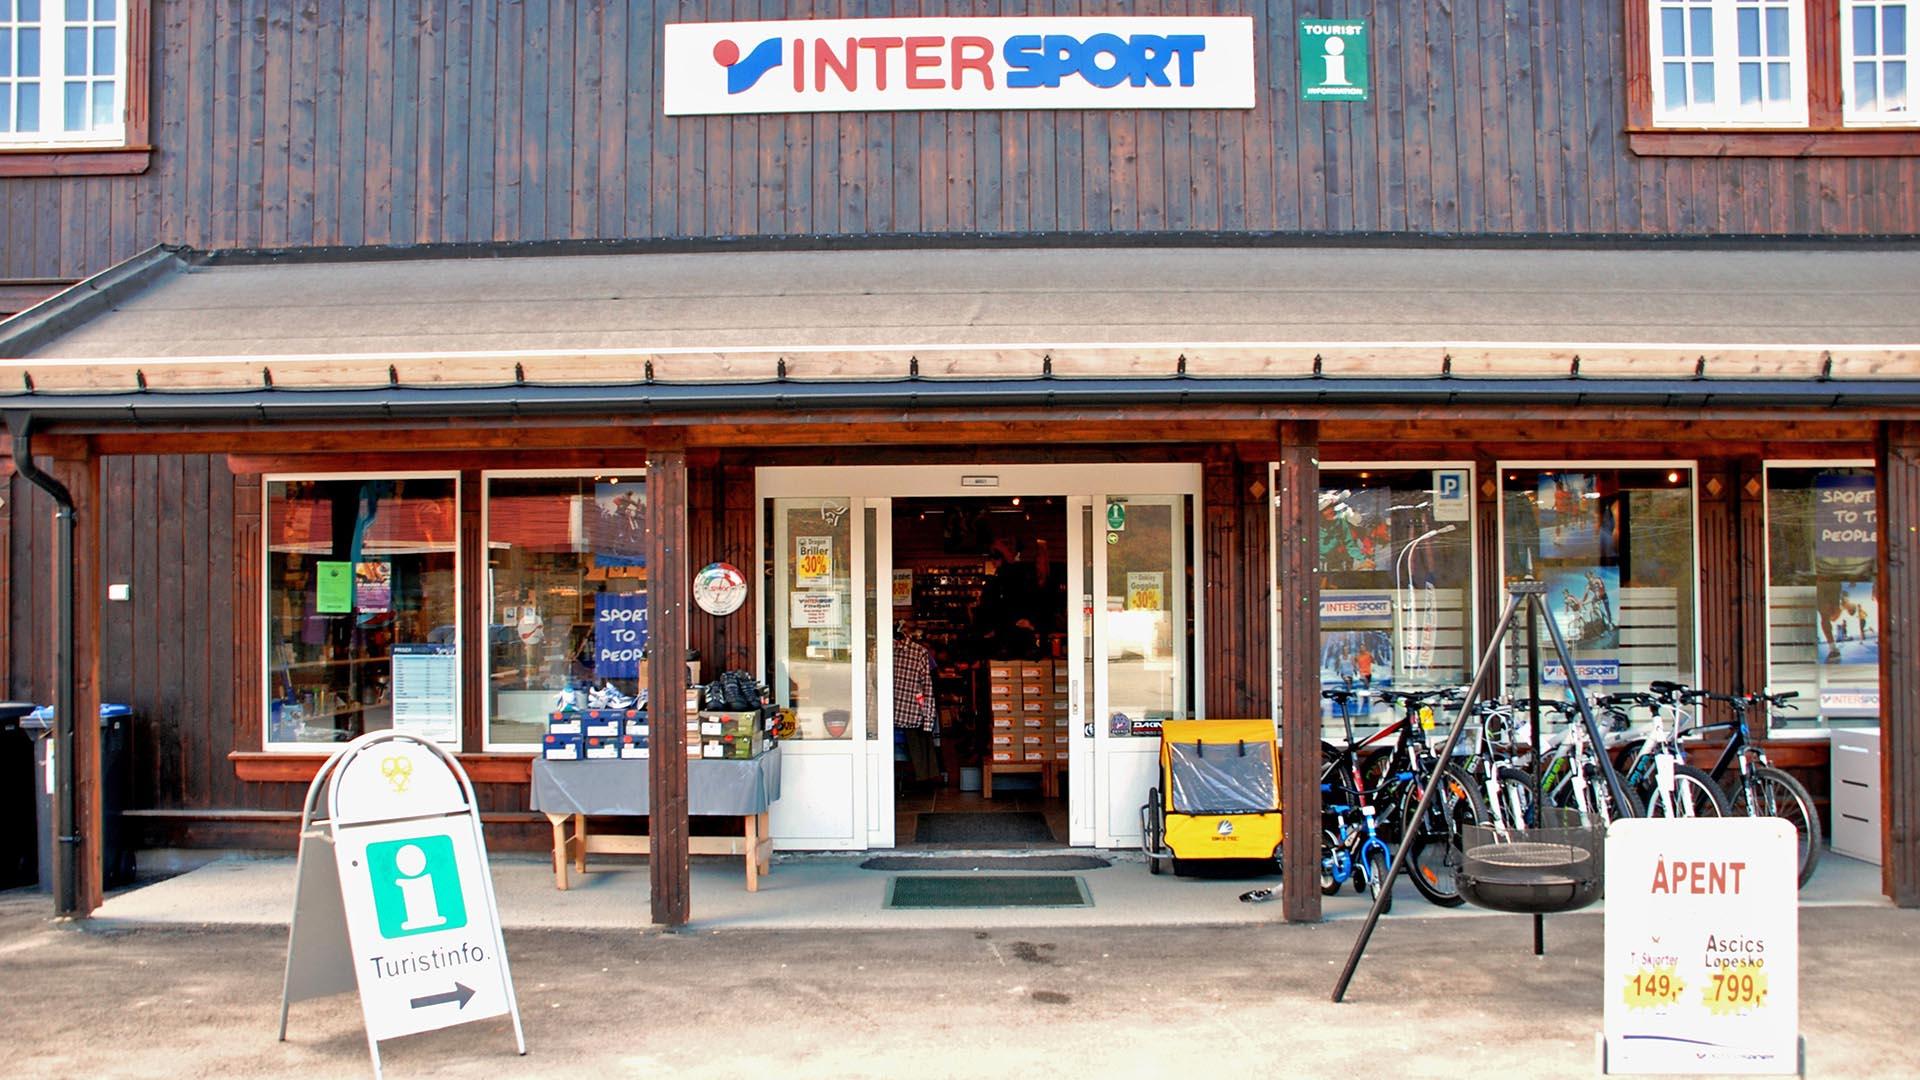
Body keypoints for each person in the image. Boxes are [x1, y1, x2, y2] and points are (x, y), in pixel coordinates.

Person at [893, 621, 939, 786]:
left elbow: (926, 687)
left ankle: (920, 777)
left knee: (919, 738)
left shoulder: (919, 652)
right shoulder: (919, 652)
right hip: (909, 714)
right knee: (920, 739)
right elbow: (926, 687)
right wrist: (928, 719)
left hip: (900, 714)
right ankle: (923, 777)